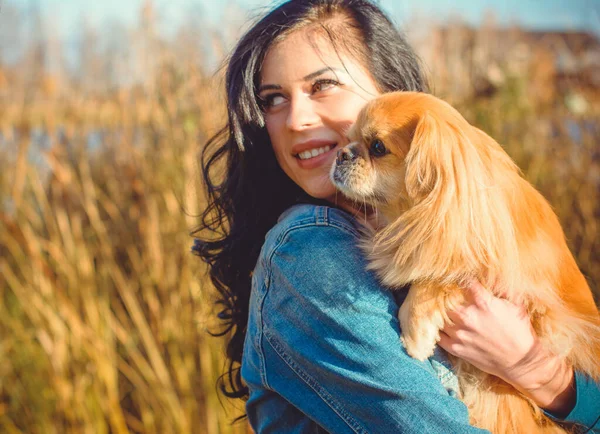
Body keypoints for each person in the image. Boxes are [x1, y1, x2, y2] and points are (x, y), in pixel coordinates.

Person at [192, 0, 600, 432]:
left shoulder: (479, 217)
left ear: (389, 88)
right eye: (273, 99)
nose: (297, 119)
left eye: (322, 85)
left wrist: (541, 375)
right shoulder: (309, 251)